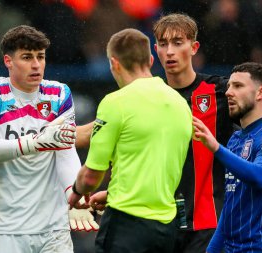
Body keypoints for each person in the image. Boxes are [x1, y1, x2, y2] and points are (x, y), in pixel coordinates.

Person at [76, 12, 262, 253]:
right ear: (155, 51)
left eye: (177, 43)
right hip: (162, 223)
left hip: (208, 226)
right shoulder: (151, 96)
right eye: (163, 44)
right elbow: (96, 131)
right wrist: (43, 138)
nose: (170, 51)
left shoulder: (220, 92)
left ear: (194, 48)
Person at [0, 25, 97, 253]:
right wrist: (35, 142)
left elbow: (65, 151)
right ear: (8, 61)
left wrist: (74, 196)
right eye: (27, 57)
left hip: (53, 227)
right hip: (3, 229)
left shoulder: (59, 94)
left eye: (41, 57)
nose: (36, 65)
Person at [68, 28, 193, 253]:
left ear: (114, 63)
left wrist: (76, 193)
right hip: (167, 228)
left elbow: (91, 176)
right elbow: (158, 167)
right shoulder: (180, 104)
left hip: (125, 225)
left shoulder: (115, 102)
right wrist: (112, 193)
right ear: (151, 60)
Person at [194, 62, 262, 252]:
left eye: (238, 86)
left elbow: (261, 176)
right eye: (229, 85)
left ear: (260, 93)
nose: (229, 92)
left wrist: (216, 148)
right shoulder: (236, 139)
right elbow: (231, 208)